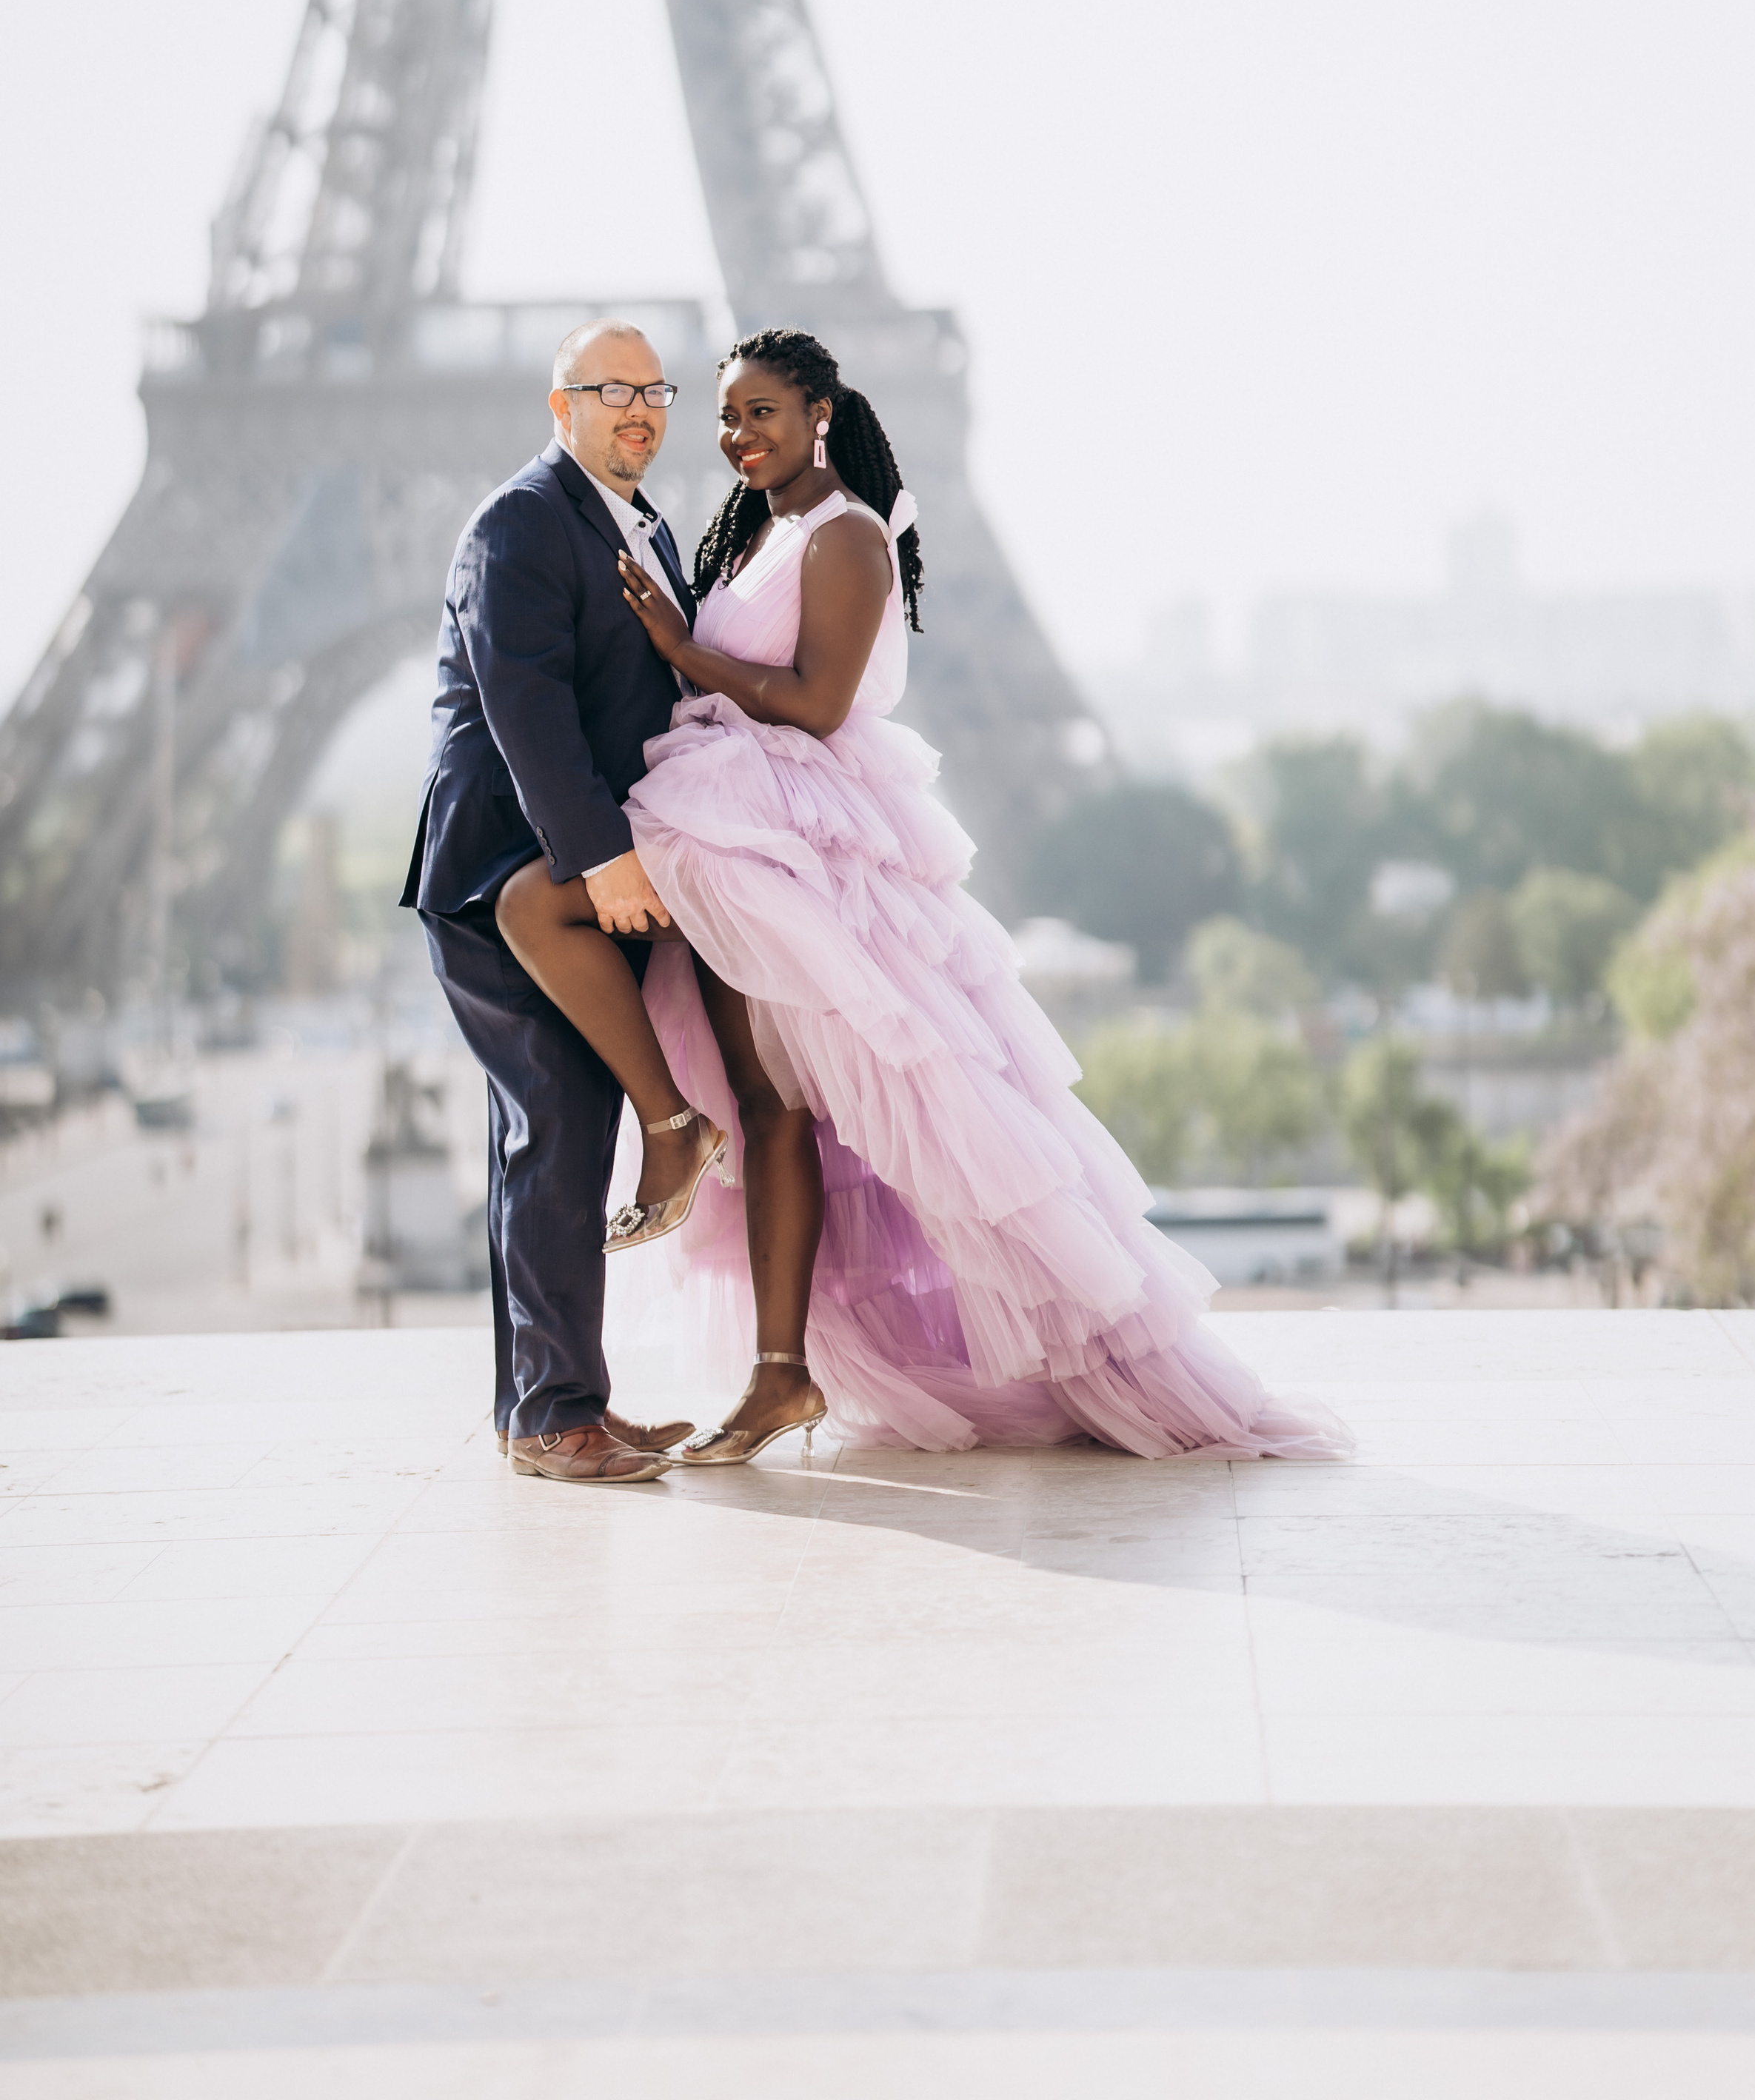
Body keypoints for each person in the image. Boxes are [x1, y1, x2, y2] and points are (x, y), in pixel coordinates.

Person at [495, 327, 1350, 1468]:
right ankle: (776, 1359)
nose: (737, 435)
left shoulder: (847, 535)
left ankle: (698, 1189)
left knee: (749, 1072)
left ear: (822, 416)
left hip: (788, 825)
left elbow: (816, 700)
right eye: (727, 415)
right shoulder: (774, 528)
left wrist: (678, 647)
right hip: (734, 815)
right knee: (767, 1098)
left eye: (762, 413)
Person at [400, 320, 709, 1485]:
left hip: (578, 873)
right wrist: (604, 856)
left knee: (558, 1134)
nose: (637, 406)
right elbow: (521, 704)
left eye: (652, 389)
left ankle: (552, 1401)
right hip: (506, 873)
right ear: (560, 404)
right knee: (556, 1127)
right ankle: (551, 1415)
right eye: (609, 388)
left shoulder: (641, 524)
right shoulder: (521, 522)